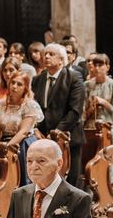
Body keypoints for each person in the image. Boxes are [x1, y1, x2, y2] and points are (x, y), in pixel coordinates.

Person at [32, 42, 85, 188]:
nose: (47, 56)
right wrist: (35, 129)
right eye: (46, 54)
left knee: (71, 181)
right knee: (46, 179)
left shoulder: (73, 78)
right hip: (43, 137)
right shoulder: (38, 79)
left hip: (68, 136)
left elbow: (75, 111)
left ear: (62, 60)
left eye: (51, 54)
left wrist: (56, 133)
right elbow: (33, 108)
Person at [0, 70, 44, 184]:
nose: (14, 86)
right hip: (4, 142)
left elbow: (23, 132)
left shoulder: (29, 105)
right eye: (12, 82)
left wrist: (7, 149)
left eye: (19, 84)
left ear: (25, 88)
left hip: (23, 144)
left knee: (23, 180)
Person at [83, 53, 113, 141]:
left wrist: (103, 102)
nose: (97, 68)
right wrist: (91, 109)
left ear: (107, 67)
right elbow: (83, 112)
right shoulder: (87, 85)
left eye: (100, 65)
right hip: (90, 128)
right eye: (95, 65)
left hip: (107, 128)